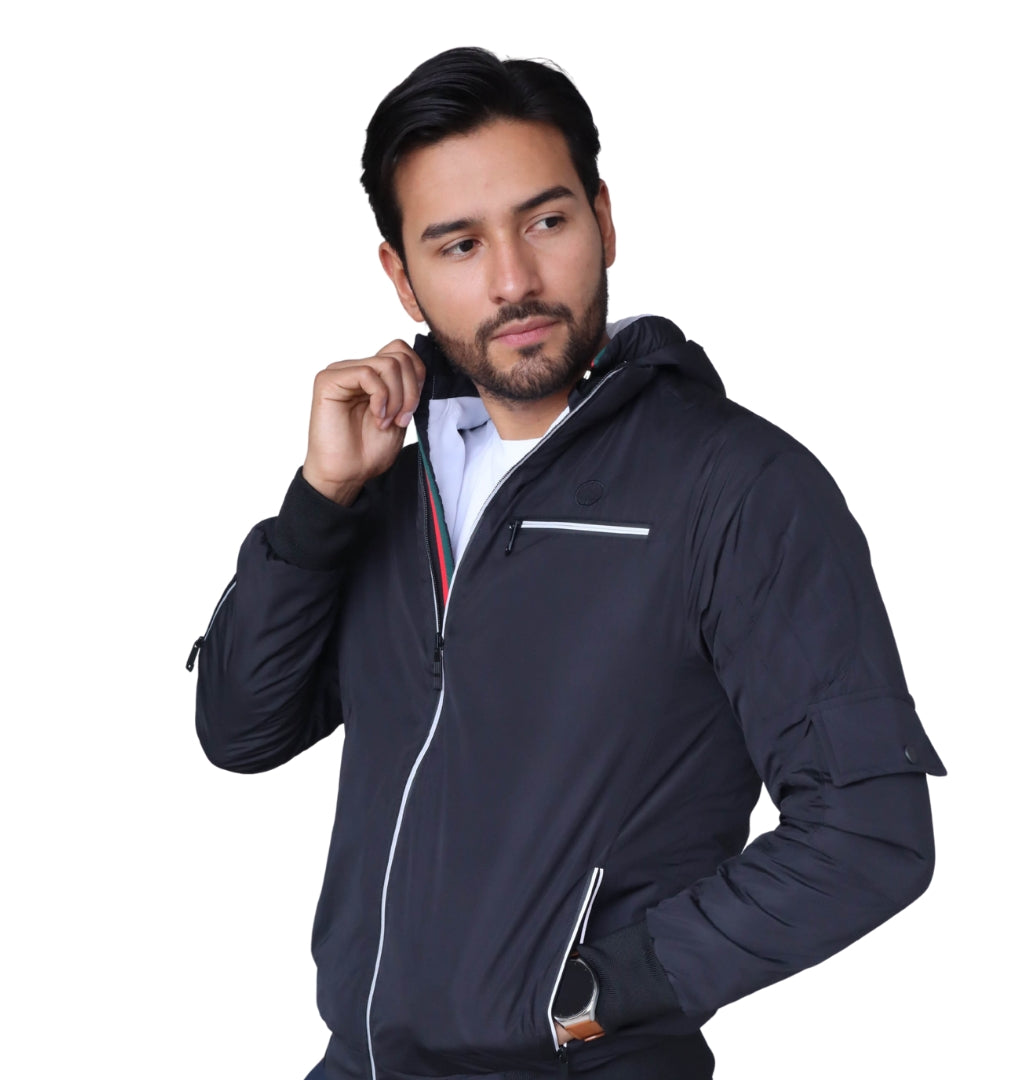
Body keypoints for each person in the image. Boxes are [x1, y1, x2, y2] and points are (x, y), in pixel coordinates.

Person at [189, 46, 946, 1080]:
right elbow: (241, 731)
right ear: (402, 276)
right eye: (460, 245)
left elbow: (868, 831)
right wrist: (320, 507)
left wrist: (597, 999)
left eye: (546, 222)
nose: (514, 281)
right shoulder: (390, 487)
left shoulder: (735, 488)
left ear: (603, 219)